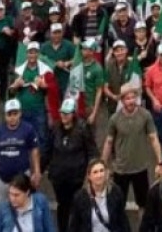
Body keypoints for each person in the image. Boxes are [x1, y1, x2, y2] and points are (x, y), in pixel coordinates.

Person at [103, 83, 162, 214]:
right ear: (122, 100)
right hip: (121, 169)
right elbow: (108, 142)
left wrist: (160, 161)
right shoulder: (115, 119)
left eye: (133, 97)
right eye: (127, 98)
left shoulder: (145, 115)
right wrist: (103, 165)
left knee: (144, 205)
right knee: (118, 206)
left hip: (140, 168)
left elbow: (153, 138)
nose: (131, 101)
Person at [47, 98, 96, 232]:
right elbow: (47, 150)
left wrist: (89, 175)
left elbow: (92, 152)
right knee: (62, 206)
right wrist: (40, 170)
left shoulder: (83, 128)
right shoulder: (55, 128)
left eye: (67, 113)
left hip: (77, 178)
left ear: (73, 114)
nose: (64, 116)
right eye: (62, 113)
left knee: (78, 206)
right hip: (59, 178)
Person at [0, 99, 40, 204]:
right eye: (9, 114)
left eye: (15, 113)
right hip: (0, 178)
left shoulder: (28, 129)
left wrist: (37, 171)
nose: (12, 117)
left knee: (23, 208)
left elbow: (34, 150)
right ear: (5, 115)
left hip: (22, 178)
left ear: (20, 113)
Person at [67, 159, 129, 232]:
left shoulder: (115, 193)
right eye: (95, 172)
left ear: (106, 173)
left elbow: (122, 220)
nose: (99, 175)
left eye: (101, 171)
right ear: (89, 176)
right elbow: (74, 225)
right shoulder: (80, 197)